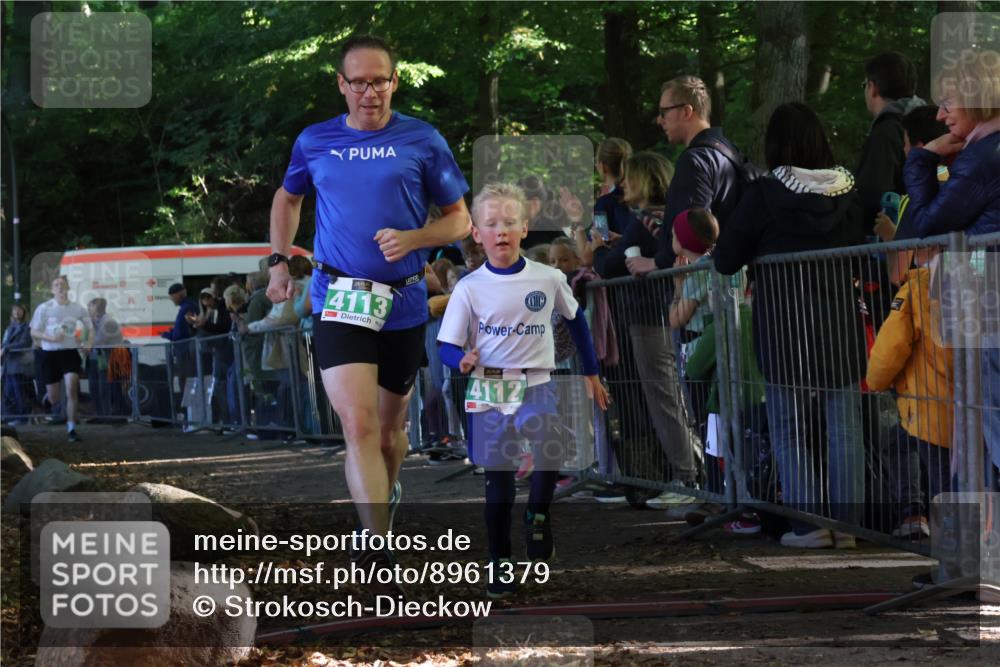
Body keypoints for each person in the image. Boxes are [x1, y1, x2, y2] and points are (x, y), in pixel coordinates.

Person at [266, 34, 471, 565]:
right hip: (338, 294)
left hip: (402, 300)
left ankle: (386, 493)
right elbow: (288, 197)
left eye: (379, 80)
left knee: (389, 434)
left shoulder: (422, 139)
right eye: (358, 81)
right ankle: (378, 546)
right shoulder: (315, 141)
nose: (370, 92)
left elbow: (459, 218)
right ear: (342, 85)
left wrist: (416, 239)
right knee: (356, 426)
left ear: (394, 81)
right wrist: (278, 259)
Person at [437, 182, 608, 597]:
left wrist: (590, 372)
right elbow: (446, 343)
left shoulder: (548, 278)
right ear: (476, 232)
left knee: (549, 441)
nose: (501, 231)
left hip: (536, 383)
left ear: (525, 228)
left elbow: (577, 320)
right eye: (491, 224)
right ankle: (498, 560)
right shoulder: (468, 287)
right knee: (496, 482)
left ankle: (538, 514)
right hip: (489, 389)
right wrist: (457, 359)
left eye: (509, 223)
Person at [714, 102, 867, 549]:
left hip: (783, 322)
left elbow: (726, 261)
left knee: (789, 426)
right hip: (839, 320)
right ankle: (850, 528)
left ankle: (808, 526)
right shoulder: (849, 193)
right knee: (845, 426)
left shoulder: (763, 195)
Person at [900, 49, 1000, 490]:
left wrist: (920, 160)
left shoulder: (984, 157)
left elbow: (927, 222)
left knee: (993, 419)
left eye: (949, 102)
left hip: (988, 303)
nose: (940, 115)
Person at [592, 152, 702, 496]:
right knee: (671, 397)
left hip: (647, 317)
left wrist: (597, 249)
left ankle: (686, 477)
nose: (623, 184)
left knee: (663, 398)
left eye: (629, 177)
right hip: (664, 313)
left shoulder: (644, 221)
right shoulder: (667, 217)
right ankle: (689, 472)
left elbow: (609, 267)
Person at [866, 247, 951, 539]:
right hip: (975, 408)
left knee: (945, 488)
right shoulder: (981, 283)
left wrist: (875, 381)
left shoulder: (917, 288)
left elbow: (889, 349)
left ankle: (955, 566)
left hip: (930, 411)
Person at [626, 75, 744, 277]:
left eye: (664, 112)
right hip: (725, 276)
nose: (660, 119)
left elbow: (691, 230)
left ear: (687, 111)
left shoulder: (694, 160)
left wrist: (655, 262)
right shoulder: (729, 152)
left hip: (698, 285)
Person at [857, 52, 924, 226]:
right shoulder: (928, 123)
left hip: (891, 241)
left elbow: (872, 195)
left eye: (865, 85)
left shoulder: (885, 133)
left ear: (873, 88)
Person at [30, 275, 93, 442]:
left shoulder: (77, 308)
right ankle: (49, 402)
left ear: (67, 288)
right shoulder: (44, 308)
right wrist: (50, 339)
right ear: (52, 290)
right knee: (54, 397)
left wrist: (88, 343)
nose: (60, 287)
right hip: (49, 353)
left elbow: (90, 328)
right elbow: (33, 332)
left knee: (72, 387)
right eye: (56, 285)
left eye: (62, 285)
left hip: (69, 353)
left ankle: (71, 429)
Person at [85, 297, 123, 419]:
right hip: (94, 359)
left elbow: (98, 341)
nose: (88, 309)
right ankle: (99, 415)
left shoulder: (108, 322)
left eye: (90, 306)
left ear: (97, 308)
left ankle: (107, 416)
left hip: (106, 360)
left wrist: (85, 344)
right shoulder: (92, 322)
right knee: (94, 388)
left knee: (104, 390)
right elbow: (84, 338)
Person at [161, 282, 197, 405]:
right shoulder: (188, 306)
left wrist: (166, 334)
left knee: (186, 381)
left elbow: (180, 333)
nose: (172, 300)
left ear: (178, 294)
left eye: (172, 297)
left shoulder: (186, 308)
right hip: (184, 350)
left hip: (184, 351)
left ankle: (189, 412)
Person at [2, 304, 34, 422]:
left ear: (24, 312)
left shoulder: (27, 327)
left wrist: (6, 348)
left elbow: (24, 343)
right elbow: (4, 343)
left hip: (19, 366)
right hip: (8, 366)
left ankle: (22, 418)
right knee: (8, 394)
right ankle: (10, 417)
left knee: (20, 393)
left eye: (19, 309)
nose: (17, 312)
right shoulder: (10, 328)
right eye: (15, 309)